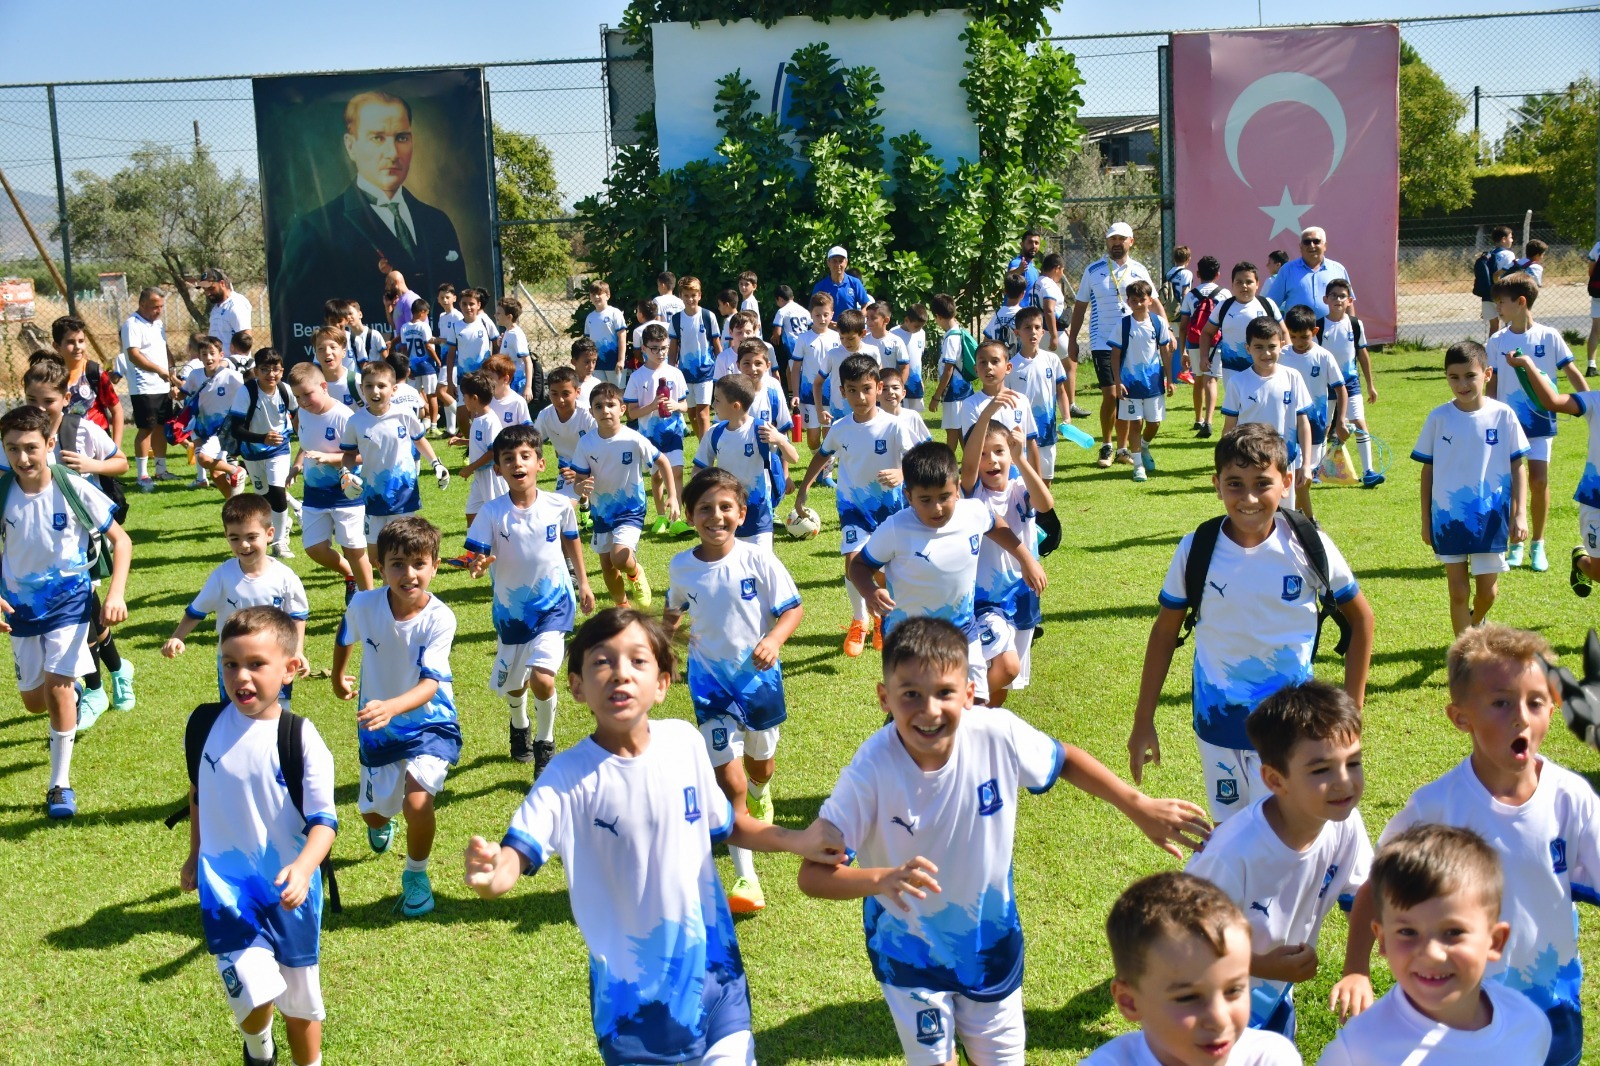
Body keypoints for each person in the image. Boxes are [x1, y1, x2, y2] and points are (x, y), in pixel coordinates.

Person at [798, 616, 1209, 1066]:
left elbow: (1064, 758)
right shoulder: (871, 770)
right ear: (885, 697)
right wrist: (881, 879)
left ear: (971, 694)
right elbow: (813, 875)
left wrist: (1137, 805)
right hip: (908, 955)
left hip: (990, 947)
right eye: (911, 694)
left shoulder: (998, 733)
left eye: (944, 693)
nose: (929, 709)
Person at [464, 608, 846, 1065]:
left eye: (637, 662)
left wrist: (797, 839)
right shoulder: (565, 779)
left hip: (717, 982)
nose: (619, 674)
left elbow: (727, 825)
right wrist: (494, 873)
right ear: (577, 686)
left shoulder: (684, 742)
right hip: (634, 1013)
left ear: (663, 684)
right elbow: (517, 854)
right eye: (601, 661)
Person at [1339, 624, 1600, 1066]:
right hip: (1458, 1009)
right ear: (1461, 718)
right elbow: (1377, 885)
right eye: (1501, 703)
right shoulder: (1436, 807)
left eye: (1535, 702)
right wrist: (1356, 970)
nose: (1521, 716)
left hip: (1553, 1004)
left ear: (1553, 712)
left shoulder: (1570, 796)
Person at [1129, 425, 1373, 823]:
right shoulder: (1197, 548)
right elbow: (1164, 633)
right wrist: (1143, 721)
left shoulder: (1308, 545)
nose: (1249, 498)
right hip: (1217, 725)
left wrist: (1352, 715)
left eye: (1263, 483)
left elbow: (1361, 620)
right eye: (1235, 484)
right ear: (1216, 485)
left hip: (1292, 731)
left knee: (1287, 831)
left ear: (1287, 481)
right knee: (1231, 832)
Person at [179, 606, 335, 1066]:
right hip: (226, 888)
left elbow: (324, 821)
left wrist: (304, 869)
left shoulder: (301, 739)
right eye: (230, 663)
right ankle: (258, 1050)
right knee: (251, 987)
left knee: (300, 999)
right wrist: (193, 854)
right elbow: (199, 794)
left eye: (255, 664)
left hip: (290, 891)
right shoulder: (205, 726)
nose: (240, 676)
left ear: (289, 669)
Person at [1186, 681, 1371, 1039]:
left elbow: (1363, 895)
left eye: (1354, 762)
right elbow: (1181, 944)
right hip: (1207, 1009)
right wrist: (1258, 965)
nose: (1343, 782)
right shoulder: (1231, 854)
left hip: (1273, 999)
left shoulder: (1345, 824)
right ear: (1274, 779)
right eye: (1321, 770)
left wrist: (1357, 968)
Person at [664, 468, 803, 914]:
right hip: (710, 689)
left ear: (742, 514)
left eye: (725, 507)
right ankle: (747, 878)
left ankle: (763, 794)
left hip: (758, 683)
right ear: (689, 515)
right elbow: (674, 611)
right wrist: (665, 648)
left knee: (760, 764)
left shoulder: (759, 560)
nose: (715, 516)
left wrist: (774, 640)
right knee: (729, 778)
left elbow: (792, 610)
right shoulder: (681, 565)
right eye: (704, 508)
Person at [1316, 824, 1552, 1064]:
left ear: (1495, 941)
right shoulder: (1358, 1050)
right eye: (1408, 932)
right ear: (1383, 939)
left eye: (1453, 932)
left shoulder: (1529, 1026)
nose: (1431, 953)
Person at [0, 404, 132, 818]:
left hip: (70, 604)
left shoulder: (71, 486)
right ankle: (70, 694)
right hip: (20, 607)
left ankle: (59, 785)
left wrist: (115, 595)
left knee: (57, 688)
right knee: (33, 702)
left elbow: (121, 541)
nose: (22, 458)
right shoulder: (3, 492)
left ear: (50, 444)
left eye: (30, 448)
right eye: (12, 449)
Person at [850, 441, 1046, 705]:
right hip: (909, 637)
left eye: (944, 497)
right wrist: (870, 591)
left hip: (963, 631)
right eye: (925, 500)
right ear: (908, 496)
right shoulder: (895, 529)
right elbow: (859, 566)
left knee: (973, 704)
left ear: (956, 491)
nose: (937, 508)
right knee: (915, 713)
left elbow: (994, 524)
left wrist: (1025, 558)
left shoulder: (972, 512)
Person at [333, 517, 458, 917]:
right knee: (373, 812)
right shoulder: (364, 604)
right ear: (380, 566)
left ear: (435, 566)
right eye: (398, 564)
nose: (409, 574)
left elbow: (431, 684)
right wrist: (338, 674)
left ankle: (416, 875)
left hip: (429, 722)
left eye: (419, 564)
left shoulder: (441, 618)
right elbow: (345, 632)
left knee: (418, 801)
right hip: (378, 729)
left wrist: (391, 707)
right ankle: (379, 822)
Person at [274, 91, 470, 339]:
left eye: (401, 137)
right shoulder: (314, 229)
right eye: (377, 138)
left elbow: (462, 296)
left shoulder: (437, 221)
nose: (392, 152)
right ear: (350, 145)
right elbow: (294, 316)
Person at [463, 424, 594, 774]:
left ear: (541, 463)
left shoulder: (558, 505)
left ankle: (544, 745)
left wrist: (583, 582)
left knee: (543, 679)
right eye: (509, 458)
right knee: (514, 686)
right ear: (498, 468)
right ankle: (519, 723)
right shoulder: (491, 513)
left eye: (525, 456)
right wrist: (476, 567)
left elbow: (571, 541)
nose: (518, 463)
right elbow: (475, 557)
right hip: (511, 613)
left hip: (554, 604)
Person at [18, 357, 135, 722]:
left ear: (66, 398)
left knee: (82, 619)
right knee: (90, 618)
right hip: (40, 549)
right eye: (32, 400)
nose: (39, 409)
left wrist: (91, 465)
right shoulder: (20, 440)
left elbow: (122, 463)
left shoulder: (81, 430)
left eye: (48, 401)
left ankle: (96, 690)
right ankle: (116, 672)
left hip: (82, 541)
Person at [1089, 872, 1302, 1065]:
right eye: (1188, 997)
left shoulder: (1269, 1059)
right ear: (1129, 1001)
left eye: (1234, 990)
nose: (1219, 1018)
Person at [794, 354, 920, 657]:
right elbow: (822, 455)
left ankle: (881, 619)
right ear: (842, 392)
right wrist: (803, 489)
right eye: (852, 390)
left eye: (866, 388)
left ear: (878, 387)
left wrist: (903, 472)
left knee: (885, 570)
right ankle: (859, 620)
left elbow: (919, 461)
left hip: (891, 510)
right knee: (853, 563)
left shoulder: (894, 426)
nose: (860, 397)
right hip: (853, 507)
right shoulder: (840, 428)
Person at [1413, 341, 1529, 634]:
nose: (1462, 384)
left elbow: (1518, 466)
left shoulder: (1503, 415)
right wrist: (1426, 520)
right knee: (1458, 592)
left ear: (1487, 374)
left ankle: (1475, 620)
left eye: (1470, 376)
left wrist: (1520, 514)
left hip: (1490, 518)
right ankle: (1463, 657)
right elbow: (1428, 471)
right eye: (1454, 377)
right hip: (1448, 519)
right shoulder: (1439, 417)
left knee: (1488, 593)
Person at [161, 493, 310, 708]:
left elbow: (297, 616)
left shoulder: (285, 577)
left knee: (277, 712)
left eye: (251, 537)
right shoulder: (223, 576)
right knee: (235, 711)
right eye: (235, 538)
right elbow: (197, 610)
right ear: (226, 536)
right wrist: (177, 637)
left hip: (274, 659)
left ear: (269, 534)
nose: (244, 545)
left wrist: (297, 651)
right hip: (233, 663)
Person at [1485, 271, 1586, 573]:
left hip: (1541, 422)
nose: (1497, 309)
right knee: (1512, 484)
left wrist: (1590, 402)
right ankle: (1515, 543)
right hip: (1508, 425)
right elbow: (1492, 384)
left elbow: (1571, 372)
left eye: (1500, 303)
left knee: (1539, 480)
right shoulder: (1497, 340)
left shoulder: (1549, 336)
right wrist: (1487, 416)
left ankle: (1537, 545)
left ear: (1521, 302)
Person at [960, 417, 1051, 704]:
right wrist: (990, 410)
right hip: (986, 602)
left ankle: (978, 731)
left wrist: (1021, 459)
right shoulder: (973, 493)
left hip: (1023, 598)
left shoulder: (1018, 489)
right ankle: (953, 708)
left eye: (999, 451)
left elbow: (1046, 504)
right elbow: (970, 464)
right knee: (1008, 666)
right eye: (983, 454)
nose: (992, 460)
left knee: (1002, 685)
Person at [1502, 343, 1600, 598]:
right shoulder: (1595, 401)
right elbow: (1552, 401)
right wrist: (1529, 365)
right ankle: (1580, 560)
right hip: (1596, 500)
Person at [573, 382, 680, 608]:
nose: (605, 411)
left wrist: (673, 495)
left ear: (622, 409)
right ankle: (623, 608)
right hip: (601, 513)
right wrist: (580, 490)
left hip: (630, 509)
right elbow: (578, 481)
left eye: (611, 405)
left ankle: (635, 572)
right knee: (608, 567)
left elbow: (662, 460)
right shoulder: (586, 443)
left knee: (620, 557)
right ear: (591, 412)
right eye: (599, 406)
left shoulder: (633, 438)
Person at [1069, 222, 1158, 467]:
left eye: (1121, 239)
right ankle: (1107, 445)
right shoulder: (1093, 270)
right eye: (1112, 239)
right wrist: (1072, 341)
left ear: (1131, 241)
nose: (1116, 243)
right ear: (1107, 242)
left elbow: (1154, 302)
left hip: (1134, 344)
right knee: (1110, 394)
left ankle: (1123, 449)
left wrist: (1166, 331)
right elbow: (1080, 307)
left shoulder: (1140, 269)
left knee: (1129, 398)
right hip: (1102, 342)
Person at [286, 363, 372, 599]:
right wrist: (297, 465)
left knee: (354, 549)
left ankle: (370, 600)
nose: (303, 401)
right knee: (314, 548)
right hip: (314, 493)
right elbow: (307, 445)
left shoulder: (344, 417)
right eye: (297, 396)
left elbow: (363, 454)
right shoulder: (303, 413)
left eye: (307, 394)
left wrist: (332, 458)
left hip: (346, 493)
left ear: (324, 387)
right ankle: (350, 575)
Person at [339, 358, 448, 544]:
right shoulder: (355, 421)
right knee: (376, 553)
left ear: (393, 389)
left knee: (401, 546)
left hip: (403, 491)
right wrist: (345, 474)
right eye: (369, 386)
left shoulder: (404, 414)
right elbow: (349, 454)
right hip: (372, 493)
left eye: (381, 386)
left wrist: (436, 463)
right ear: (362, 388)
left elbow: (419, 440)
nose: (375, 391)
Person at [692, 375, 797, 549]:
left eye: (717, 400)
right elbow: (699, 468)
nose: (713, 405)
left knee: (761, 563)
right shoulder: (714, 433)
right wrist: (700, 490)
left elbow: (794, 458)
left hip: (759, 510)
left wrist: (780, 440)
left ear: (735, 406)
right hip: (725, 512)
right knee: (730, 564)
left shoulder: (761, 429)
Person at [1220, 319, 1314, 511]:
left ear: (1282, 345)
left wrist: (1306, 464)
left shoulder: (1292, 377)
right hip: (1248, 461)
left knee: (1284, 514)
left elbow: (1303, 423)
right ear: (1248, 348)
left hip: (1284, 459)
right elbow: (1229, 427)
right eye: (1259, 347)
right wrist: (1224, 464)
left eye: (1272, 346)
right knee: (1253, 512)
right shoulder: (1237, 382)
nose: (1266, 353)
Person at [1278, 306, 1347, 526]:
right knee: (1291, 475)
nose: (1298, 341)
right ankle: (1306, 521)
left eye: (1304, 337)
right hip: (1287, 425)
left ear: (1315, 331)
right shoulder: (1281, 356)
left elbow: (1340, 389)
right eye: (1294, 336)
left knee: (1303, 479)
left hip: (1316, 426)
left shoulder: (1323, 356)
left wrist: (1340, 420)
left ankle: (1301, 519)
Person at [229, 350, 299, 558]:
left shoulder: (285, 390)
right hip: (252, 451)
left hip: (279, 448)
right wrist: (262, 438)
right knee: (264, 498)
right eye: (265, 370)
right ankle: (280, 525)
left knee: (278, 491)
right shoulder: (247, 392)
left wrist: (300, 431)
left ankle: (280, 542)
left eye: (276, 369)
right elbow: (236, 429)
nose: (271, 374)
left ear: (282, 370)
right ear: (256, 371)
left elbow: (297, 413)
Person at [1315, 278, 1382, 488]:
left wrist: (1370, 384)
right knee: (1323, 428)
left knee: (1359, 423)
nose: (1338, 299)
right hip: (1325, 385)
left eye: (1342, 296)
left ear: (1350, 300)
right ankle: (1317, 470)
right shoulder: (1318, 325)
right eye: (1333, 295)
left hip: (1351, 383)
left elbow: (1362, 354)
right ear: (1326, 299)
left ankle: (1368, 470)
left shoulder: (1355, 324)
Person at [624, 322, 690, 535]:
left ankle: (677, 516)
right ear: (643, 349)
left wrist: (676, 406)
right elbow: (631, 413)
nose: (660, 353)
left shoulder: (675, 373)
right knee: (657, 476)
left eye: (664, 348)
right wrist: (652, 406)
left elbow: (686, 405)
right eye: (655, 349)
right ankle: (661, 516)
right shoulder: (637, 377)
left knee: (677, 471)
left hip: (673, 430)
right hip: (649, 434)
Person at [1107, 279, 1175, 481]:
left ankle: (1144, 446)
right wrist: (1117, 381)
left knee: (1154, 423)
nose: (1138, 304)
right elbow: (1115, 355)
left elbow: (1165, 351)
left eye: (1142, 300)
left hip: (1153, 383)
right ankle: (1138, 466)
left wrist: (1170, 379)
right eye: (1133, 300)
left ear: (1150, 300)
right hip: (1130, 385)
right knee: (1135, 424)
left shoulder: (1158, 322)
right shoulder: (1123, 324)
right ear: (1128, 301)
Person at [1198, 261, 1282, 414]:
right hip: (1233, 370)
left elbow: (1284, 333)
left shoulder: (1267, 305)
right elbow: (1206, 333)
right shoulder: (1224, 306)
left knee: (1263, 407)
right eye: (1239, 282)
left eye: (1249, 282)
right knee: (1238, 410)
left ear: (1257, 284)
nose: (1244, 286)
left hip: (1264, 368)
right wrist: (1204, 356)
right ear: (1232, 284)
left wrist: (1287, 356)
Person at [1005, 306, 1069, 484]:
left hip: (1047, 433)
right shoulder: (1010, 367)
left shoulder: (1052, 360)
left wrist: (1067, 417)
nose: (1032, 332)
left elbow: (1061, 391)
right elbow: (1006, 402)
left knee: (1045, 482)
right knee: (1022, 483)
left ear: (1043, 331)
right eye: (1027, 328)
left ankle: (1041, 513)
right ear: (1017, 332)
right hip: (1021, 436)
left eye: (1037, 327)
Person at [122, 286, 178, 491]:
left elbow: (164, 348)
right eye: (155, 307)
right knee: (145, 429)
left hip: (162, 385)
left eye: (161, 306)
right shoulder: (132, 325)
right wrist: (159, 371)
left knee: (161, 426)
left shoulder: (158, 324)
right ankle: (142, 475)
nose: (159, 311)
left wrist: (171, 370)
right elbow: (134, 355)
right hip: (144, 387)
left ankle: (161, 470)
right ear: (143, 304)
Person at [179, 334, 248, 498]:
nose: (208, 357)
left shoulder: (231, 376)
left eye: (212, 353)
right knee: (215, 475)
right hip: (201, 427)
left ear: (221, 355)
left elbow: (249, 393)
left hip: (223, 429)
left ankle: (235, 470)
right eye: (204, 354)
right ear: (199, 357)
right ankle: (234, 503)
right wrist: (174, 393)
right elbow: (184, 394)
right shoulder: (195, 375)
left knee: (203, 459)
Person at [959, 341, 1041, 474]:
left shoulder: (1021, 401)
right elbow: (972, 447)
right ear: (975, 369)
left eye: (995, 361)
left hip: (1019, 479)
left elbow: (1031, 443)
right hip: (989, 478)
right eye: (983, 362)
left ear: (1008, 367)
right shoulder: (970, 404)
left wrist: (1038, 483)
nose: (988, 367)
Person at [532, 366, 598, 525]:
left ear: (578, 392)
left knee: (604, 521)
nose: (560, 400)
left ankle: (587, 503)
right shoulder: (545, 415)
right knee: (560, 511)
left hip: (596, 469)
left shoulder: (588, 416)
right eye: (554, 394)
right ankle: (583, 503)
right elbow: (533, 444)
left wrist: (583, 475)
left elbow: (604, 450)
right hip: (567, 471)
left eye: (566, 394)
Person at [446, 370, 507, 538]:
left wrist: (470, 468)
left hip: (491, 475)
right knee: (471, 512)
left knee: (498, 514)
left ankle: (507, 545)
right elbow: (481, 444)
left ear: (474, 398)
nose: (462, 400)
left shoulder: (490, 421)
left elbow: (493, 451)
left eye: (464, 396)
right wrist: (462, 442)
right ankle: (473, 553)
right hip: (480, 477)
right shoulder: (478, 418)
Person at [51, 315, 124, 443]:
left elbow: (117, 410)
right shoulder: (50, 376)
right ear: (56, 346)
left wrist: (115, 448)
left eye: (81, 341)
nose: (78, 347)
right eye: (70, 342)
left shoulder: (94, 372)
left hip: (97, 444)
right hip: (65, 443)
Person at [1179, 257, 1228, 437]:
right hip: (1217, 342)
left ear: (1198, 274)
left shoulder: (1191, 295)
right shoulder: (1225, 294)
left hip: (1195, 341)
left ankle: (1198, 419)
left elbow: (1184, 325)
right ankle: (1209, 420)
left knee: (1199, 379)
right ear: (1218, 274)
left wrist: (1183, 351)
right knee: (1211, 379)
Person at [669, 276, 721, 443]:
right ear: (680, 296)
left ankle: (706, 455)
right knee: (691, 413)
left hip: (705, 371)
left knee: (702, 413)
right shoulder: (676, 319)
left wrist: (723, 366)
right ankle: (703, 445)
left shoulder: (708, 316)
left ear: (699, 295)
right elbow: (673, 347)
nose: (690, 299)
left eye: (693, 295)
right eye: (686, 295)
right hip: (685, 373)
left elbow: (716, 344)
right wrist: (670, 369)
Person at [1263, 227, 1352, 320]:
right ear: (1300, 247)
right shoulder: (1287, 270)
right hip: (1296, 332)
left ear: (1325, 245)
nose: (1311, 245)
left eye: (1316, 241)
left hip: (1331, 331)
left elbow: (1349, 303)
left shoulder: (1338, 269)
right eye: (1307, 242)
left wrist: (1352, 327)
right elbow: (1272, 304)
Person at [790, 292, 838, 462]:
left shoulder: (838, 338)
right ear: (811, 314)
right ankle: (819, 462)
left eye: (826, 314)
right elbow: (795, 368)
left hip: (832, 395)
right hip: (808, 395)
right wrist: (795, 393)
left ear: (832, 314)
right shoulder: (803, 338)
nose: (822, 318)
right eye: (818, 315)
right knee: (812, 438)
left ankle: (826, 472)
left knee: (829, 434)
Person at [928, 293, 976, 450]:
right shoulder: (959, 332)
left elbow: (948, 370)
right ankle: (971, 467)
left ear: (938, 316)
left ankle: (949, 467)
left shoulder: (951, 339)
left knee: (952, 431)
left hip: (953, 393)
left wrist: (936, 396)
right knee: (963, 430)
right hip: (964, 390)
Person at [816, 309, 874, 431]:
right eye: (842, 338)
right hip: (839, 412)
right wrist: (819, 409)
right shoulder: (833, 354)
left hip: (866, 410)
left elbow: (879, 381)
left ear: (863, 333)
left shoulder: (872, 352)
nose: (845, 342)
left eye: (850, 338)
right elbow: (817, 383)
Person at [398, 298, 438, 431]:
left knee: (412, 395)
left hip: (412, 365)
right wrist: (438, 361)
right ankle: (433, 425)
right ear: (421, 312)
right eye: (426, 313)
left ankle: (413, 423)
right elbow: (428, 345)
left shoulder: (404, 327)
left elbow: (404, 349)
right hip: (426, 365)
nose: (426, 316)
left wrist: (407, 365)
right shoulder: (423, 326)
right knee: (432, 394)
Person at [584, 281, 628, 386]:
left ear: (607, 295)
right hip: (597, 363)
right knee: (600, 391)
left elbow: (622, 336)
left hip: (613, 361)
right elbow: (587, 341)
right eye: (593, 294)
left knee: (617, 392)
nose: (596, 297)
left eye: (599, 294)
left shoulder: (614, 313)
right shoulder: (590, 317)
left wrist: (621, 360)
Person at [199, 268, 252, 356]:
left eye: (211, 288)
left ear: (222, 283)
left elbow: (246, 338)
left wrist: (236, 363)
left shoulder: (236, 304)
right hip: (220, 366)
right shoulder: (216, 308)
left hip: (235, 366)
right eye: (205, 290)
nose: (208, 293)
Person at [1478, 225, 1519, 336]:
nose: (1512, 240)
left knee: (1494, 327)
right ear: (1503, 239)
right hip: (1502, 294)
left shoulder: (1488, 254)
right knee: (1510, 325)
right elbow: (1510, 274)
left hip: (1488, 294)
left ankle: (1491, 351)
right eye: (1510, 237)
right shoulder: (1508, 254)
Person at [311, 325, 362, 412]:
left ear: (343, 352)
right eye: (321, 348)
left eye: (333, 347)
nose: (327, 352)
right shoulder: (311, 385)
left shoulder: (358, 382)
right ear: (316, 355)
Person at [890, 303, 929, 411]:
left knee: (915, 416)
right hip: (898, 382)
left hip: (915, 383)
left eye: (921, 327)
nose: (919, 329)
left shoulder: (921, 333)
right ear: (907, 320)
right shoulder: (894, 333)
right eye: (916, 326)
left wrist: (920, 379)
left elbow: (918, 358)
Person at [493, 298, 533, 402]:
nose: (495, 316)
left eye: (498, 313)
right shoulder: (508, 332)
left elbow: (527, 362)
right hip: (508, 381)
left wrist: (528, 387)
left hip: (517, 383)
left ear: (509, 317)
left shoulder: (516, 335)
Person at [811, 245, 869, 313]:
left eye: (841, 261)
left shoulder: (855, 283)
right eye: (834, 261)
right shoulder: (820, 286)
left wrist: (857, 320)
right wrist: (826, 322)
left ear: (846, 262)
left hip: (850, 323)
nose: (838, 265)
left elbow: (865, 306)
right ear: (828, 263)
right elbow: (813, 310)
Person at [983, 272, 1028, 353]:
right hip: (1017, 360)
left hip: (998, 359)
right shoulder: (1024, 315)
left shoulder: (998, 314)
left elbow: (986, 339)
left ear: (1005, 291)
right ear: (1023, 294)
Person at [1006, 226, 1043, 305]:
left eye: (1036, 243)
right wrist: (1019, 270)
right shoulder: (1017, 262)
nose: (1033, 246)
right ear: (1022, 244)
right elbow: (1009, 276)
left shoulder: (1033, 268)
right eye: (1030, 242)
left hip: (1028, 314)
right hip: (1017, 314)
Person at [1165, 245, 1194, 337]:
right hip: (1180, 310)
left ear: (1174, 258)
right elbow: (1185, 292)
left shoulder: (1169, 273)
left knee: (1173, 336)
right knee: (1183, 336)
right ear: (1188, 259)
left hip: (1170, 308)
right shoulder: (1187, 273)